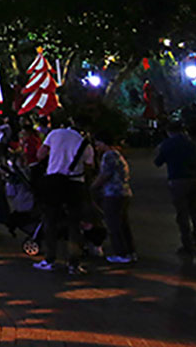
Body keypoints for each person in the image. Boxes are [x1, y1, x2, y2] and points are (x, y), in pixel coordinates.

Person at [34, 114, 94, 272]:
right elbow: (89, 166)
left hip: (54, 181)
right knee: (74, 224)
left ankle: (50, 259)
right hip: (75, 184)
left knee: (50, 221)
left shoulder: (55, 134)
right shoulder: (85, 143)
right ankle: (74, 263)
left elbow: (40, 154)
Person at [154, 120, 196, 256]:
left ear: (168, 131)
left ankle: (188, 245)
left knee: (182, 214)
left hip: (178, 181)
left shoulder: (167, 144)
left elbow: (158, 162)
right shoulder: (192, 143)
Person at [91, 129, 135, 263]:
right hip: (124, 192)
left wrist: (93, 186)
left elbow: (105, 175)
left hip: (113, 194)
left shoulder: (109, 156)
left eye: (98, 143)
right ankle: (129, 251)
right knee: (123, 224)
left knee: (113, 224)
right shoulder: (117, 154)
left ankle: (121, 253)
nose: (97, 146)